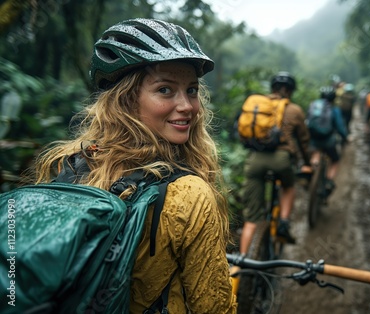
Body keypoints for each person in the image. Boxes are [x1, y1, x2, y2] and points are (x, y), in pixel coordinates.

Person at [31, 18, 237, 313]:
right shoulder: (189, 194)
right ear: (126, 100)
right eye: (165, 90)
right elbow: (215, 308)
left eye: (191, 90)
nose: (188, 106)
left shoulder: (69, 163)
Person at [239, 71, 310, 254]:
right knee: (289, 186)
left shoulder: (260, 105)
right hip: (281, 159)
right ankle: (284, 222)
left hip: (255, 159)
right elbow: (303, 141)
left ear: (272, 88)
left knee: (251, 219)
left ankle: (240, 266)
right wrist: (307, 161)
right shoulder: (294, 110)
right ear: (290, 90)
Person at [308, 87, 348, 195]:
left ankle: (312, 172)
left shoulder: (313, 105)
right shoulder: (334, 110)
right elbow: (340, 127)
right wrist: (345, 137)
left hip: (314, 140)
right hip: (328, 141)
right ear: (333, 98)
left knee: (315, 152)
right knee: (335, 160)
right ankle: (329, 182)